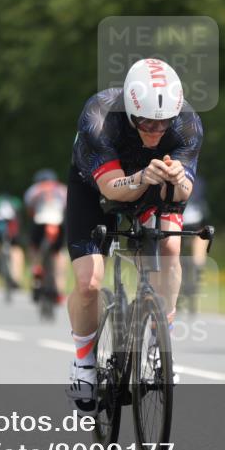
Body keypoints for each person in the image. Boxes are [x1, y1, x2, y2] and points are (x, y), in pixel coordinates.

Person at [65, 57, 202, 412]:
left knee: (170, 248)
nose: (155, 131)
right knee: (89, 283)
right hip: (96, 188)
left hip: (154, 186)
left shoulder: (186, 124)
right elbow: (111, 189)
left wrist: (177, 179)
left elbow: (183, 193)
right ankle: (84, 361)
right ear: (129, 110)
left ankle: (159, 344)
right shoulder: (99, 116)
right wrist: (142, 176)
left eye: (163, 123)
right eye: (145, 122)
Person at [23, 168, 68, 304]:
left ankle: (36, 272)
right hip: (58, 222)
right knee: (59, 254)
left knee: (34, 248)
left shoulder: (34, 189)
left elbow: (29, 208)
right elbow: (67, 207)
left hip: (40, 221)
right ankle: (59, 290)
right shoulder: (62, 189)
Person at [0, 193, 25, 289]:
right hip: (12, 226)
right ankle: (16, 278)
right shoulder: (15, 202)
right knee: (16, 250)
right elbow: (20, 215)